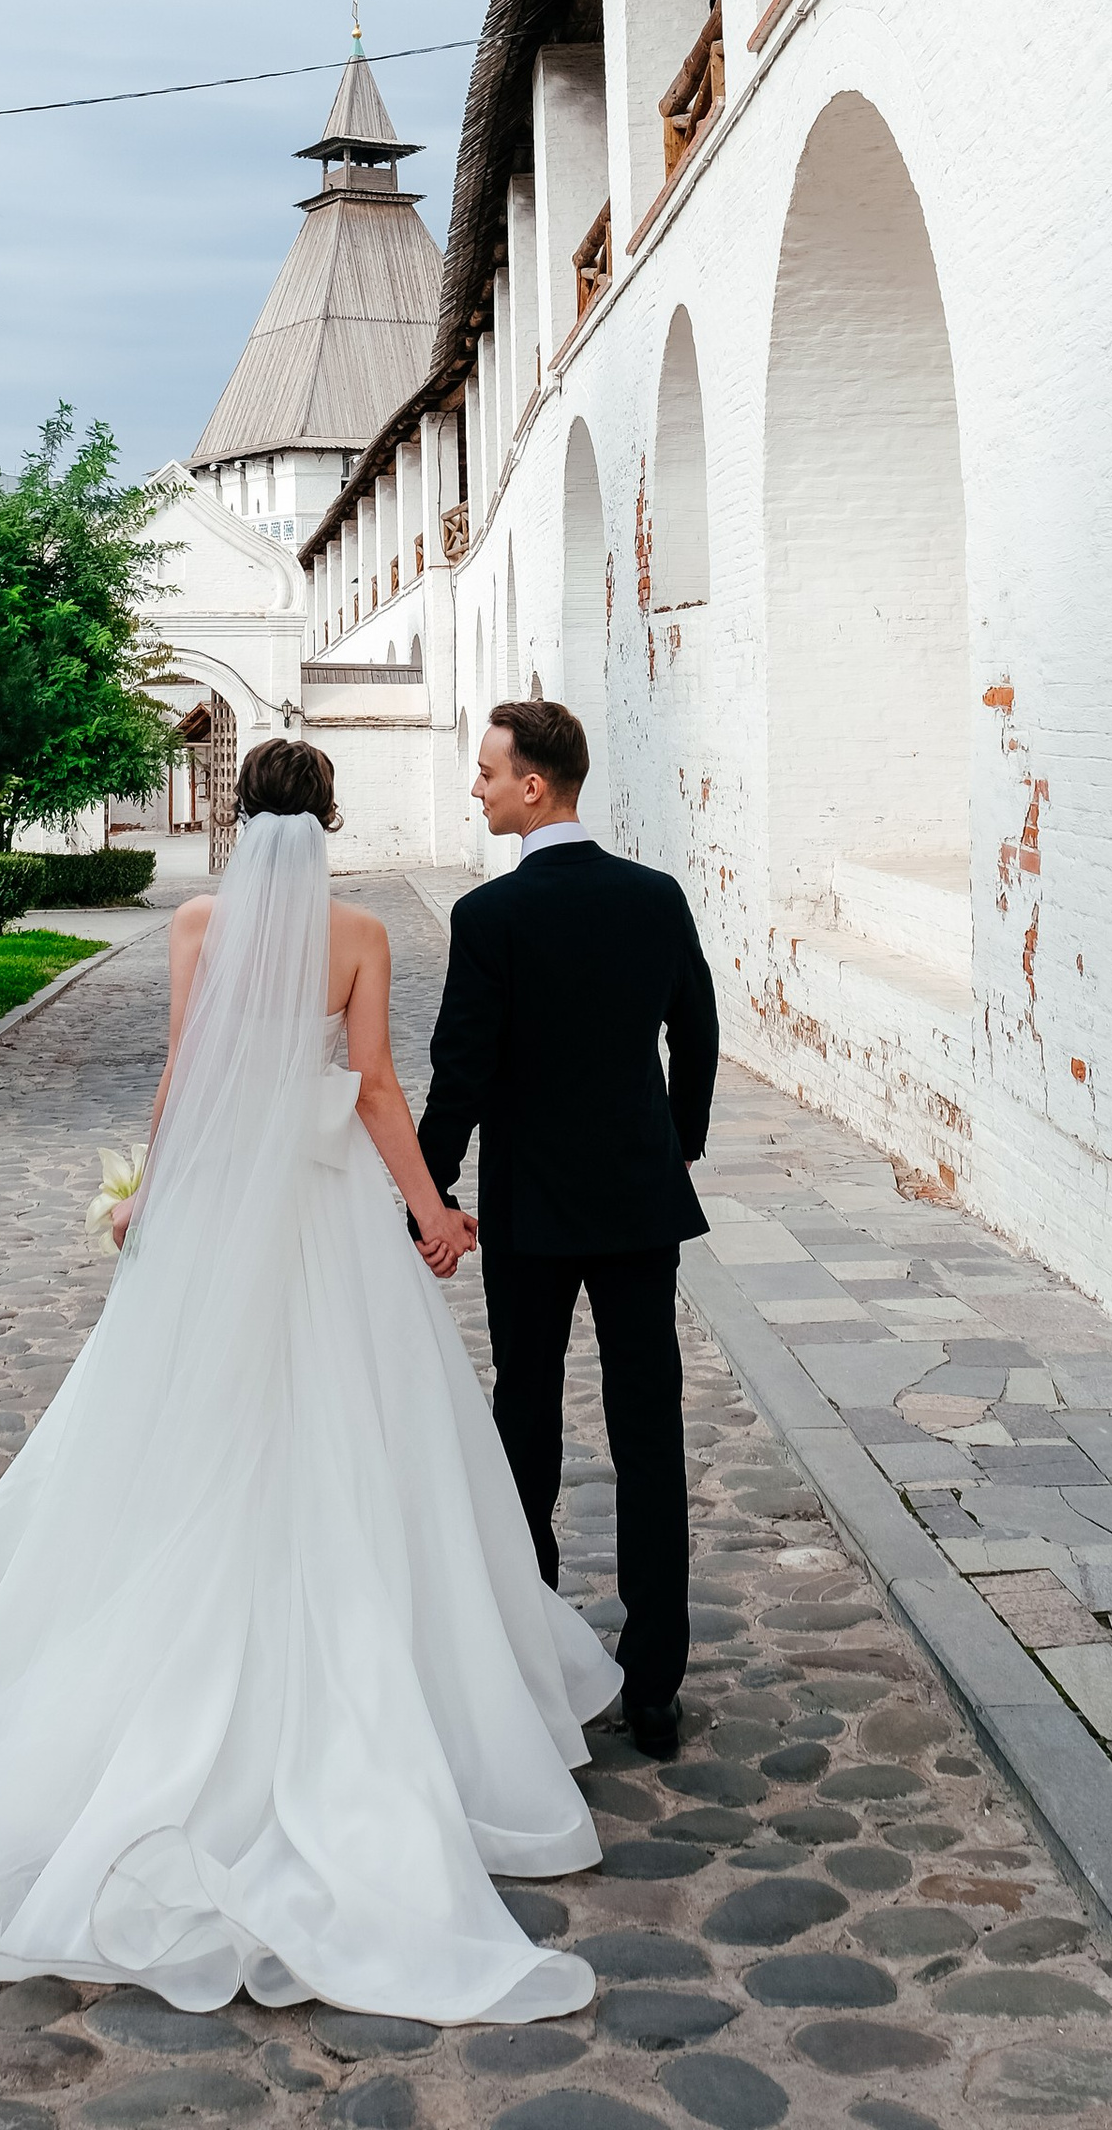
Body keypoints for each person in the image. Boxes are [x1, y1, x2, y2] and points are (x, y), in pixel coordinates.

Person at [0, 737, 619, 2022]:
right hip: (323, 1214)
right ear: (326, 818)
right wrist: (433, 1213)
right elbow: (378, 1088)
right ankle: (396, 1694)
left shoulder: (201, 923)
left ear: (234, 817)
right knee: (360, 1432)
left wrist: (154, 1198)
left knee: (192, 1433)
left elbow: (184, 1073)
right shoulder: (359, 935)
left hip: (225, 1207)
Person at [418, 696, 719, 1762]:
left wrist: (432, 1190)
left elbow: (463, 1070)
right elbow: (696, 1027)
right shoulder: (654, 897)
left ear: (532, 786)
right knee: (649, 1435)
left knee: (524, 1428)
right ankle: (653, 1688)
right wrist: (677, 1140)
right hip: (639, 1204)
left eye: (488, 773)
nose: (478, 787)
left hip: (534, 1210)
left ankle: (532, 1655)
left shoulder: (492, 919)